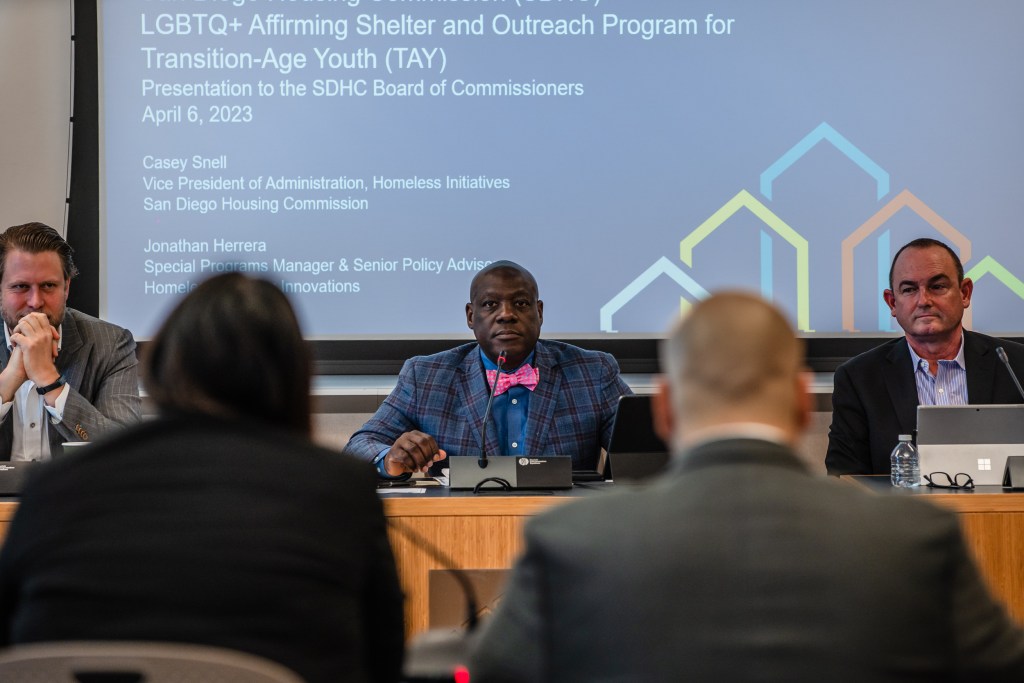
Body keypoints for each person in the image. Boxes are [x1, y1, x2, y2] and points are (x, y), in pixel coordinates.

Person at [469, 292, 1024, 683]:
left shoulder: (571, 541)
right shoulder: (917, 538)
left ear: (664, 410)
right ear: (802, 403)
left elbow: (482, 672)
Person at [0, 273, 405, 683]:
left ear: (164, 365)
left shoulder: (54, 485)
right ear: (295, 373)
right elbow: (383, 660)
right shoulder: (339, 489)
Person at [346, 260, 632, 477]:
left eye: (521, 303)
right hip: (460, 527)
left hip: (565, 528)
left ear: (539, 312)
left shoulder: (593, 372)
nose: (506, 314)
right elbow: (360, 445)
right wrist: (391, 458)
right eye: (490, 304)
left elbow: (643, 451)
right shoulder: (426, 376)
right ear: (471, 316)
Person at [826, 237, 1024, 475]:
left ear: (964, 293)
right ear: (892, 303)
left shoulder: (1016, 365)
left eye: (937, 286)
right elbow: (843, 476)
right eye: (909, 290)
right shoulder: (859, 379)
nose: (923, 301)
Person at [0, 221, 139, 459]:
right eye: (21, 286)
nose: (35, 302)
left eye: (48, 286)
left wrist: (49, 380)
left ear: (66, 287)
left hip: (71, 484)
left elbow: (126, 452)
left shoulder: (112, 344)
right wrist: (7, 383)